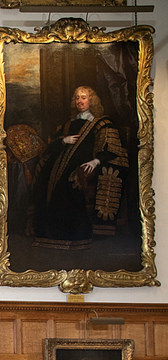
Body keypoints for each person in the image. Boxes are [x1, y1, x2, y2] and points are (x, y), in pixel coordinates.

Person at [32, 86, 128, 251]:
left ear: (91, 101)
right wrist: (64, 140)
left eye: (83, 97)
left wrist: (96, 161)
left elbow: (112, 149)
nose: (79, 101)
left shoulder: (101, 123)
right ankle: (47, 232)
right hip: (59, 163)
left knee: (69, 183)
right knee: (44, 181)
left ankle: (74, 234)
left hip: (84, 165)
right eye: (77, 98)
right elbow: (51, 147)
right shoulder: (68, 125)